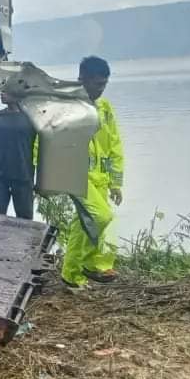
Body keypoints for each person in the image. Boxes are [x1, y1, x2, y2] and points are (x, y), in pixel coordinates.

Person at [61, 56, 124, 289]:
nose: (101, 89)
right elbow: (47, 139)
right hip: (75, 176)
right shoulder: (67, 108)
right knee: (102, 217)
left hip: (99, 179)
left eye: (104, 84)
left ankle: (71, 276)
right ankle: (92, 264)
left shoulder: (105, 109)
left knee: (81, 226)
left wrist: (116, 182)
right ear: (82, 80)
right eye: (97, 84)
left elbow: (115, 145)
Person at [0, 92, 37, 219]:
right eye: (1, 90)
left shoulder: (31, 119)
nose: (1, 93)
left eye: (6, 91)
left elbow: (39, 149)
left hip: (23, 176)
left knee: (25, 221)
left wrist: (41, 182)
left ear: (16, 92)